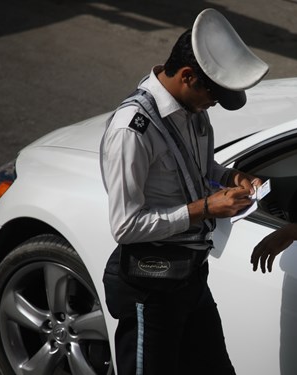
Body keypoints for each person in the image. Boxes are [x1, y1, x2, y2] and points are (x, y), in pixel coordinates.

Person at [100, 9, 268, 375]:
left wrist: (230, 177)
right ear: (188, 76)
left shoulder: (194, 111)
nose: (215, 104)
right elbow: (125, 226)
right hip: (151, 285)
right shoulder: (133, 130)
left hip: (190, 275)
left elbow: (198, 169)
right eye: (214, 95)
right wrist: (205, 208)